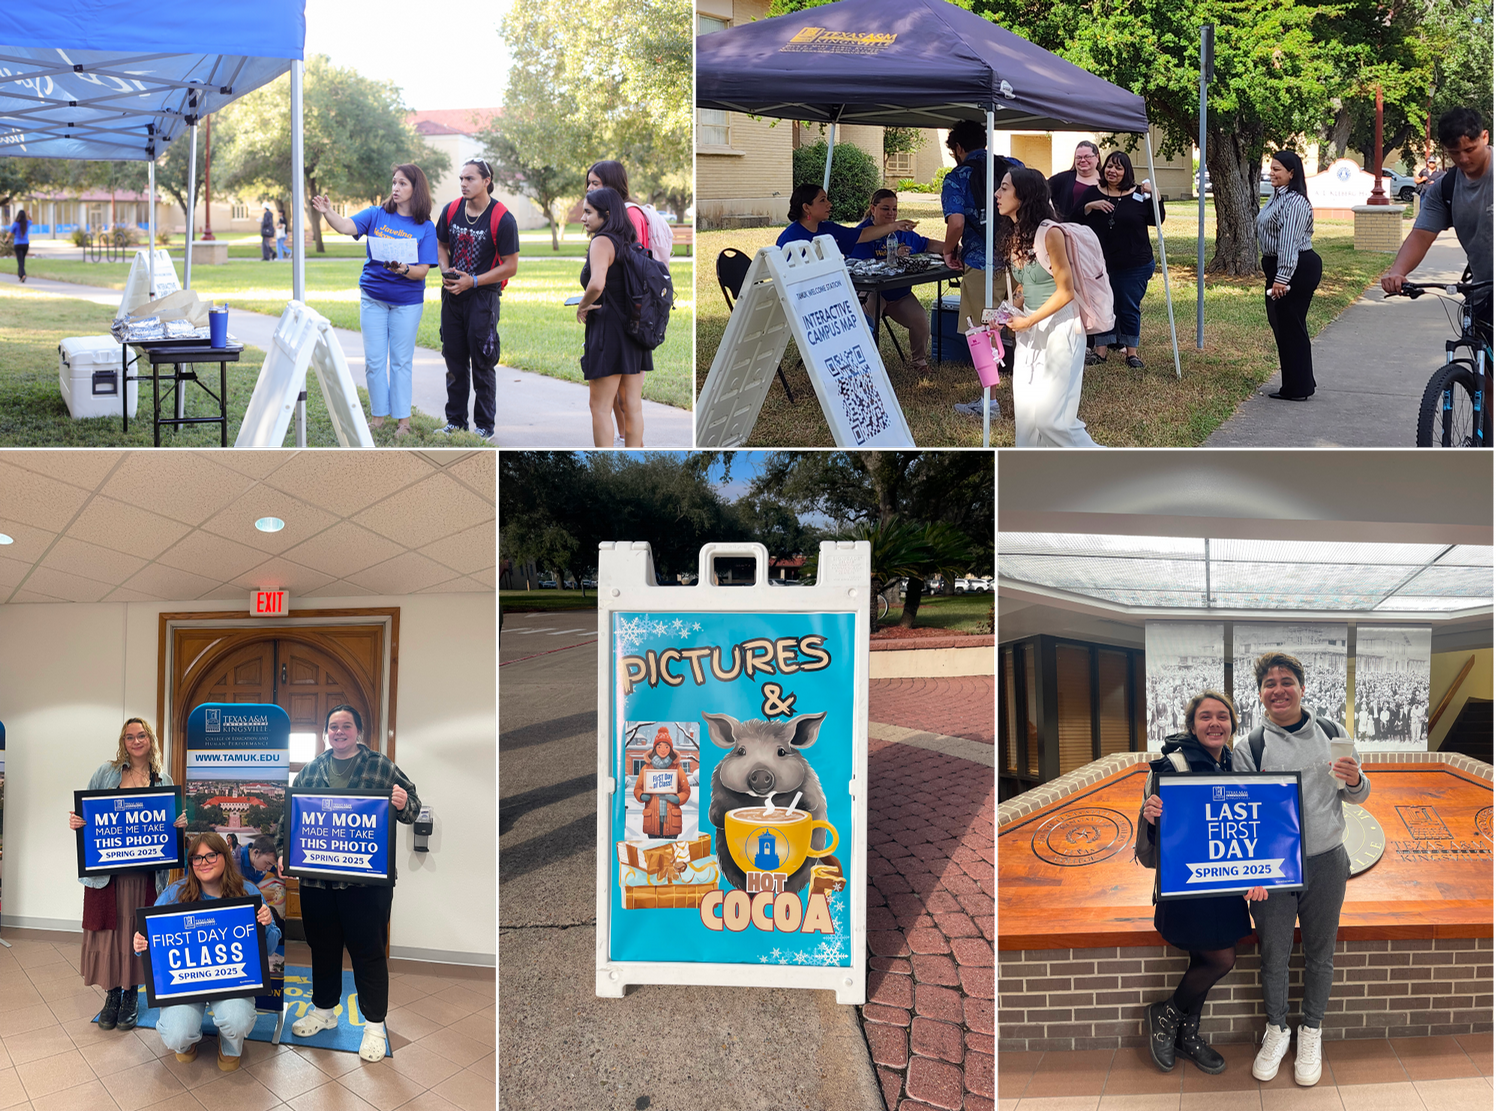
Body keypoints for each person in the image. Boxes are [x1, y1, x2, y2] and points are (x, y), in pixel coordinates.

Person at [1232, 651, 1369, 1086]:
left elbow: (1357, 794)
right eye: (1269, 684)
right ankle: (1277, 1029)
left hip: (1327, 860)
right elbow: (1241, 817)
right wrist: (1251, 871)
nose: (1278, 690)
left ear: (1302, 687)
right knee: (1273, 954)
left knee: (1320, 954)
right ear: (1260, 694)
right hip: (1272, 869)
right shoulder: (1250, 747)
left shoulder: (1332, 733)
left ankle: (1312, 1030)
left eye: (1286, 681)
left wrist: (1355, 779)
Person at [278, 705, 419, 1062]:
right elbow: (289, 817)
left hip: (366, 886)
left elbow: (413, 807)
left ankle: (374, 1026)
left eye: (346, 726)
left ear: (358, 731)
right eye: (333, 727)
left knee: (368, 952)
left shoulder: (380, 766)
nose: (339, 732)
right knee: (322, 948)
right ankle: (324, 1011)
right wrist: (283, 852)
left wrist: (403, 803)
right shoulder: (311, 770)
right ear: (326, 733)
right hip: (317, 884)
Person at [1136, 692, 1267, 1074]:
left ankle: (1186, 1035)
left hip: (1222, 885)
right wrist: (1151, 817)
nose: (1214, 723)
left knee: (1204, 959)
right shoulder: (1171, 766)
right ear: (1192, 725)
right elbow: (1158, 839)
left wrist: (1258, 873)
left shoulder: (1233, 763)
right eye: (1205, 716)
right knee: (1220, 958)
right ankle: (1166, 1014)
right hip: (1188, 885)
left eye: (1222, 716)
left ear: (1232, 725)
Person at [67, 717, 188, 1033]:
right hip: (108, 875)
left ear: (150, 740)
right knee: (111, 933)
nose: (136, 741)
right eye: (129, 736)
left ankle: (132, 994)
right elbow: (86, 813)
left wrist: (179, 825)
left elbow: (169, 824)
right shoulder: (106, 773)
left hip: (144, 876)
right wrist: (77, 822)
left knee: (136, 931)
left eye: (141, 735)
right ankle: (112, 996)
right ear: (123, 742)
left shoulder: (162, 780)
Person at [132, 832, 279, 1071]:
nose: (204, 862)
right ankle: (187, 1042)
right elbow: (151, 941)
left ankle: (229, 1044)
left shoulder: (248, 892)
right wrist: (140, 944)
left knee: (237, 1020)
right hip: (186, 982)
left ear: (225, 856)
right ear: (191, 863)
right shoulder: (174, 893)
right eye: (197, 858)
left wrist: (267, 923)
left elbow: (270, 947)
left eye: (211, 855)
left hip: (232, 980)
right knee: (177, 1034)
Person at [313, 164, 438, 438]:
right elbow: (346, 226)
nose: (396, 188)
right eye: (394, 182)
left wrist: (404, 269)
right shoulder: (376, 214)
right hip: (373, 299)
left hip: (407, 303)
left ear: (416, 188)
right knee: (374, 361)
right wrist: (328, 212)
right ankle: (378, 418)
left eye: (402, 183)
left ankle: (403, 422)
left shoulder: (426, 227)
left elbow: (422, 272)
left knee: (401, 362)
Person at [991, 167, 1102, 448]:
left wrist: (1028, 322)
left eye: (1004, 188)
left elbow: (1066, 292)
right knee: (1027, 421)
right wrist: (1004, 313)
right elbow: (1025, 285)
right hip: (1029, 329)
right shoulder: (1015, 234)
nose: (997, 194)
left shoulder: (1050, 233)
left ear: (1024, 194)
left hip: (1061, 328)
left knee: (1053, 421)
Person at [1379, 108, 1493, 350]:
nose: (1463, 159)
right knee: (1485, 364)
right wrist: (1398, 272)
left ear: (1485, 137)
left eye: (1470, 149)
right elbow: (1421, 236)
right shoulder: (1445, 188)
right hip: (1483, 292)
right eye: (1454, 152)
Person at [436, 159, 519, 441]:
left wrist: (472, 281)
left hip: (483, 299)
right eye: (461, 178)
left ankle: (484, 426)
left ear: (486, 181)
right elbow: (441, 245)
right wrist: (446, 271)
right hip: (452, 296)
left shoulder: (502, 218)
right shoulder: (451, 210)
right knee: (454, 361)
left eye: (469, 178)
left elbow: (510, 266)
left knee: (483, 362)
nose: (463, 184)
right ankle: (455, 422)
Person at [578, 186, 652, 448]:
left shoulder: (601, 241)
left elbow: (597, 283)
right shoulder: (629, 241)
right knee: (633, 406)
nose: (583, 218)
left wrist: (582, 306)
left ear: (606, 214)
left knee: (599, 407)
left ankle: (605, 465)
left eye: (588, 212)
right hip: (634, 330)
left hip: (608, 331)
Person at [1076, 152, 1164, 369]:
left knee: (1127, 307)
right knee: (1101, 305)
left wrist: (1156, 196)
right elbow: (1073, 218)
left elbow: (1157, 219)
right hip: (1100, 263)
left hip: (1134, 263)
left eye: (1118, 168)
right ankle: (1100, 351)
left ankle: (1131, 353)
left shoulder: (1140, 193)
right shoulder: (1092, 192)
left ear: (1127, 172)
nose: (1112, 171)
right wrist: (1090, 206)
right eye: (1109, 166)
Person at [850, 190, 946, 374]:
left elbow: (927, 244)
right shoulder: (862, 233)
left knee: (920, 320)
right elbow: (860, 266)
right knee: (866, 323)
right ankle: (865, 367)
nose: (891, 213)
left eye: (894, 209)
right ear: (873, 209)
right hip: (872, 293)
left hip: (898, 293)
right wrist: (892, 257)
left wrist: (954, 249)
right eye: (885, 208)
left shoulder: (901, 231)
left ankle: (919, 362)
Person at [1256, 150, 1321, 401]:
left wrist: (1282, 278)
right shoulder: (1277, 197)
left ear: (1291, 173)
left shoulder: (1295, 202)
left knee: (1290, 326)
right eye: (1271, 168)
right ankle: (1300, 381)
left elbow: (1288, 242)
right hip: (1279, 266)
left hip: (1296, 268)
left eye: (1277, 169)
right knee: (1284, 325)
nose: (1271, 173)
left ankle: (1297, 388)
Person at [1048, 141, 1109, 362]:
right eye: (1078, 157)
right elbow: (1040, 191)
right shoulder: (1064, 179)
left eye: (1087, 157)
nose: (1083, 161)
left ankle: (1104, 336)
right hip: (1070, 242)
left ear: (1097, 158)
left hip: (1100, 243)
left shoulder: (1107, 179)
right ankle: (1080, 336)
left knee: (1098, 289)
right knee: (1076, 288)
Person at [940, 120, 995, 341]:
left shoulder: (957, 177)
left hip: (981, 262)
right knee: (1018, 327)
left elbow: (956, 223)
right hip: (1018, 260)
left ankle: (990, 365)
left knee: (981, 330)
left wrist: (948, 250)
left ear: (958, 148)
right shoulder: (1014, 165)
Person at [777, 184, 915, 255]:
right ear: (806, 207)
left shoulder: (829, 229)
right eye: (822, 200)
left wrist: (895, 226)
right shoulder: (790, 237)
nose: (829, 204)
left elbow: (863, 234)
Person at [8, 208, 28, 283]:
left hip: (18, 244)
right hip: (26, 244)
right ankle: (20, 275)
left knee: (20, 260)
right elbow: (31, 220)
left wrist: (6, 239)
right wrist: (29, 215)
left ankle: (23, 275)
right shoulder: (27, 223)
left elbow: (10, 234)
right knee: (22, 260)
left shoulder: (15, 224)